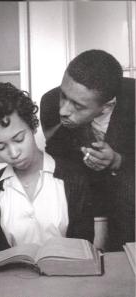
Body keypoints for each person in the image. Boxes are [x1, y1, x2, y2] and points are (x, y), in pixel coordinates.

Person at [0, 82, 94, 259]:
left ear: (32, 126)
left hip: (68, 281)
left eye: (19, 139)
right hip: (14, 283)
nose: (13, 153)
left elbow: (84, 247)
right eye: (0, 146)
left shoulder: (74, 178)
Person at [40, 49, 135, 251]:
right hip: (85, 198)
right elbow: (58, 162)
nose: (63, 111)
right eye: (63, 96)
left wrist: (117, 161)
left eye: (77, 105)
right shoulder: (49, 102)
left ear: (107, 106)